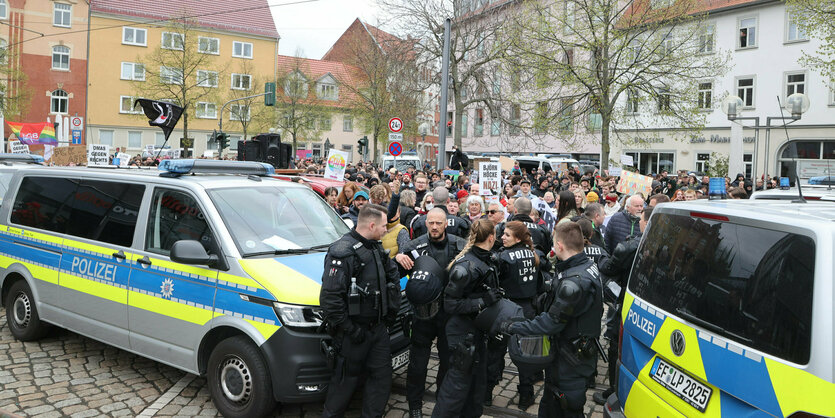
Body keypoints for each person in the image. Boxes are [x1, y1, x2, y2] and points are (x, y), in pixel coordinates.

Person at [500, 222, 603, 418]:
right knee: (550, 404)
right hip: (568, 354)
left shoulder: (573, 281)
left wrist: (515, 326)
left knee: (567, 406)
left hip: (570, 359)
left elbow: (551, 322)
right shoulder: (586, 265)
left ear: (560, 246)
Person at [319, 204, 402, 418]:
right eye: (384, 226)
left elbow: (391, 277)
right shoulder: (343, 252)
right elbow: (330, 300)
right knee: (343, 384)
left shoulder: (374, 246)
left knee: (381, 381)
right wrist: (350, 330)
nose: (386, 229)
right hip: (353, 334)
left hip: (377, 331)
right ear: (372, 225)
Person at [395, 209, 467, 418]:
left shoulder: (459, 246)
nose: (434, 227)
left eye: (438, 223)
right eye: (430, 223)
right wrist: (398, 258)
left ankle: (442, 403)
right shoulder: (414, 246)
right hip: (422, 314)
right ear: (425, 224)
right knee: (418, 364)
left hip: (449, 315)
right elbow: (393, 274)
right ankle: (414, 405)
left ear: (446, 224)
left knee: (447, 362)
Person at [432, 219, 501, 418]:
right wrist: (482, 301)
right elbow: (450, 304)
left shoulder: (487, 259)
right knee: (455, 389)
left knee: (476, 389)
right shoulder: (465, 267)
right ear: (491, 237)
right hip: (462, 335)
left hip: (478, 332)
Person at [594, 206, 651, 406]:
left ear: (646, 221)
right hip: (648, 301)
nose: (640, 223)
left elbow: (609, 267)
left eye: (642, 219)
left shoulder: (631, 246)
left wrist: (601, 256)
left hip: (627, 301)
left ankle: (615, 389)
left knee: (616, 345)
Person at [487, 221, 546, 410]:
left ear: (518, 238)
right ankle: (526, 395)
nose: (502, 237)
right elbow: (540, 285)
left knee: (495, 351)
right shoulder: (535, 254)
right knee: (526, 354)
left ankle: (487, 393)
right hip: (528, 310)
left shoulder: (502, 257)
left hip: (506, 309)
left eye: (506, 235)